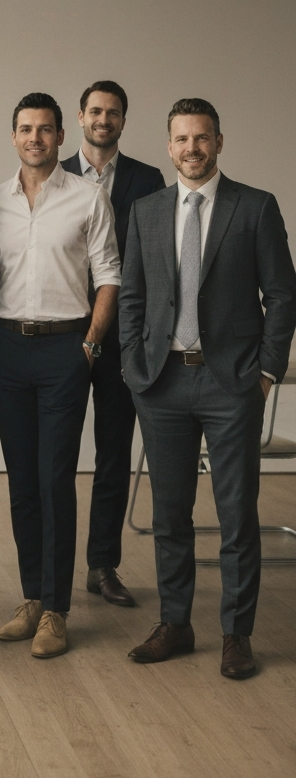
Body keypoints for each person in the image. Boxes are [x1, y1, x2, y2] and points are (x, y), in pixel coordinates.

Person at [120, 98, 295, 679]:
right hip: (162, 383)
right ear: (168, 146)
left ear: (219, 142)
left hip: (231, 384)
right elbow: (133, 298)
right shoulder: (146, 211)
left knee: (236, 514)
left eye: (202, 138)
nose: (191, 149)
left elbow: (282, 296)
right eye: (181, 139)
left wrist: (267, 371)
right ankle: (176, 623)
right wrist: (132, 367)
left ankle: (236, 633)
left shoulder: (255, 207)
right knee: (170, 515)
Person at [0, 93, 120, 659]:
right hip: (7, 349)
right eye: (25, 129)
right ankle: (31, 597)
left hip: (66, 349)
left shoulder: (88, 198)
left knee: (56, 478)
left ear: (61, 136)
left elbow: (109, 277)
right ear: (13, 137)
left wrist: (89, 345)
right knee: (21, 481)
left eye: (45, 130)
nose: (35, 138)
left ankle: (56, 611)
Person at [61, 81, 165, 608]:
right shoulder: (52, 174)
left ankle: (101, 566)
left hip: (123, 339)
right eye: (96, 111)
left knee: (113, 452)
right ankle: (49, 571)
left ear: (124, 120)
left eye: (114, 113)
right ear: (80, 117)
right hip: (62, 335)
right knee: (55, 458)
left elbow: (155, 259)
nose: (104, 119)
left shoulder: (148, 179)